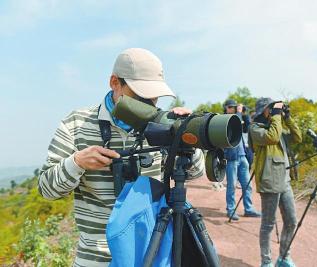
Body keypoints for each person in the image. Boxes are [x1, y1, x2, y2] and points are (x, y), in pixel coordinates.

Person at [38, 48, 204, 267]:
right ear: (114, 82)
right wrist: (76, 163)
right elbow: (46, 189)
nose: (148, 103)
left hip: (152, 252)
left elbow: (196, 172)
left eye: (153, 96)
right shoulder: (76, 124)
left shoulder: (162, 125)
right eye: (140, 94)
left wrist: (185, 136)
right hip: (96, 259)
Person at [249, 98, 302, 267]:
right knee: (268, 224)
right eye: (270, 108)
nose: (273, 111)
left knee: (291, 220)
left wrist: (287, 117)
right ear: (263, 111)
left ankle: (284, 257)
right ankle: (266, 261)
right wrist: (277, 116)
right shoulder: (255, 128)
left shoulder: (277, 125)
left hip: (284, 181)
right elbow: (272, 137)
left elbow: (298, 137)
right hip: (269, 181)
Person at [223, 99, 261, 221]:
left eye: (235, 107)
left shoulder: (238, 117)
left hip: (242, 155)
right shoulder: (225, 120)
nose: (233, 109)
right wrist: (239, 113)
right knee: (231, 186)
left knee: (247, 185)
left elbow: (248, 127)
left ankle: (248, 209)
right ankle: (231, 210)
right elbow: (236, 124)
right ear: (227, 108)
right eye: (231, 107)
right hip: (232, 158)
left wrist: (245, 113)